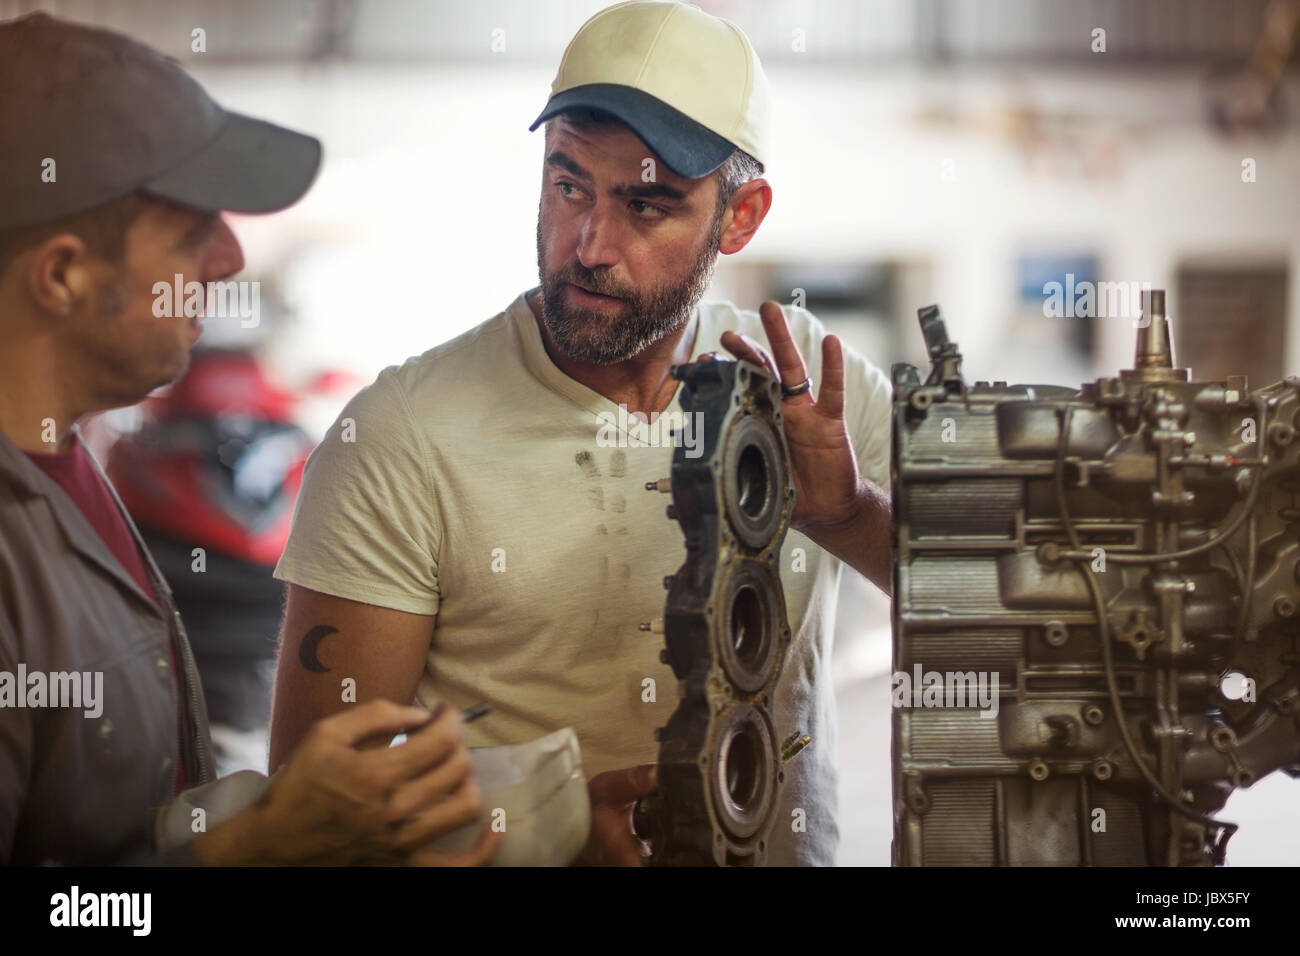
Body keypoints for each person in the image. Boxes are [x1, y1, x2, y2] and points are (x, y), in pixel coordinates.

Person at [269, 0, 892, 866]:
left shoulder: (821, 399)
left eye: (646, 205)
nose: (590, 245)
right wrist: (536, 838)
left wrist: (845, 512)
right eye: (569, 186)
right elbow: (311, 809)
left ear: (740, 216)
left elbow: (986, 616)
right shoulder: (399, 436)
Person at [0, 12, 496, 866]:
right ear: (63, 274)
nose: (229, 259)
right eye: (193, 229)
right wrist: (257, 848)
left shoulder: (73, 472)